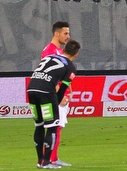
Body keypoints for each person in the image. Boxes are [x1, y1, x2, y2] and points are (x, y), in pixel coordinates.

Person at [28, 39, 80, 170]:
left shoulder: (50, 56)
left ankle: (40, 161)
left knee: (39, 126)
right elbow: (62, 89)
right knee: (52, 126)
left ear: (63, 50)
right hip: (46, 91)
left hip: (31, 89)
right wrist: (55, 103)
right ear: (76, 54)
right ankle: (47, 162)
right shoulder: (71, 68)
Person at [43, 21, 73, 168]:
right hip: (55, 96)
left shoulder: (59, 52)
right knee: (53, 127)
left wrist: (69, 90)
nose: (68, 36)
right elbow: (49, 76)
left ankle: (53, 158)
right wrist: (59, 95)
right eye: (65, 33)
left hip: (62, 95)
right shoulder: (49, 51)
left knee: (58, 127)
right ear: (57, 33)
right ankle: (47, 160)